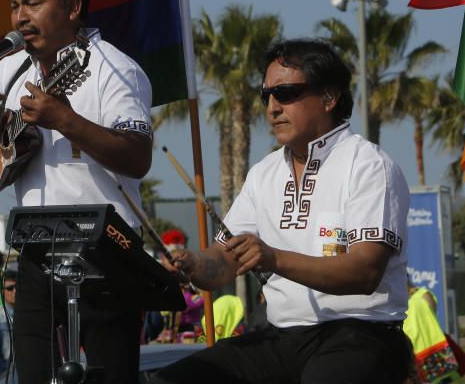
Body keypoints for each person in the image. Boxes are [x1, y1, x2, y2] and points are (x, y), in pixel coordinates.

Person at [153, 39, 412, 384]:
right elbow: (224, 262)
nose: (272, 107)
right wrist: (191, 264)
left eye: (286, 92)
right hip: (281, 337)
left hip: (362, 334)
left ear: (330, 97)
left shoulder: (368, 165)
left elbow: (364, 273)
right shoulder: (264, 172)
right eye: (266, 95)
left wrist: (274, 258)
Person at [0, 0, 153, 384]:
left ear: (73, 8)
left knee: (108, 375)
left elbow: (138, 156)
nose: (21, 17)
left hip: (106, 249)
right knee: (34, 375)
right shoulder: (9, 68)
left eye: (33, 4)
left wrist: (64, 119)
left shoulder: (112, 69)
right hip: (36, 248)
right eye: (15, 6)